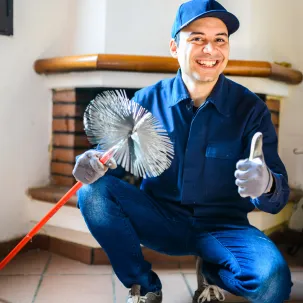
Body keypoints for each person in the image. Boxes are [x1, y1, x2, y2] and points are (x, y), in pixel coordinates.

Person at [72, 0, 293, 302]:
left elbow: (277, 198)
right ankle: (144, 286)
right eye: (197, 39)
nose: (210, 50)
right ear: (174, 47)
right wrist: (89, 163)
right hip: (161, 219)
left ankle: (213, 271)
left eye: (220, 40)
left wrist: (266, 183)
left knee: (274, 282)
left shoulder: (250, 109)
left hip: (224, 227)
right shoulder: (145, 102)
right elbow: (108, 159)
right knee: (91, 191)